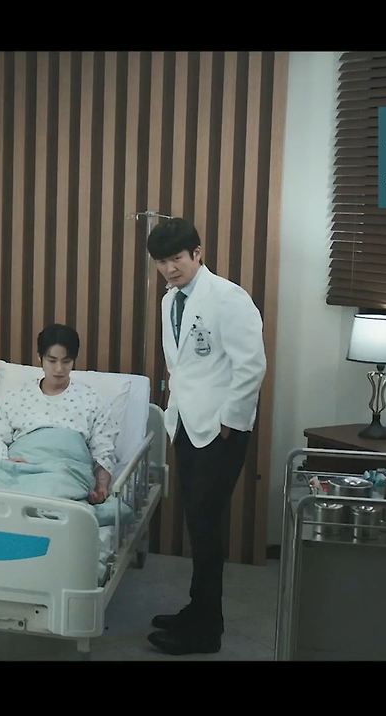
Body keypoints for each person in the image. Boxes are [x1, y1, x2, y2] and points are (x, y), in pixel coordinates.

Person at [145, 218, 266, 655]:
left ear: (197, 253)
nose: (170, 268)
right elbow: (181, 367)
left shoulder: (229, 298)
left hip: (220, 429)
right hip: (186, 423)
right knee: (198, 525)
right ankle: (197, 611)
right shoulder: (170, 300)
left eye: (177, 258)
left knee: (206, 527)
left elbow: (251, 365)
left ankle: (206, 631)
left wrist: (229, 421)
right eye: (162, 261)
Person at [0, 323, 117, 505]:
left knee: (52, 493)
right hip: (18, 471)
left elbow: (103, 451)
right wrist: (6, 462)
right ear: (40, 358)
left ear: (73, 360)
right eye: (52, 361)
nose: (59, 369)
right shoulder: (17, 397)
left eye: (66, 361)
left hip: (64, 473)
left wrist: (101, 487)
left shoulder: (91, 400)